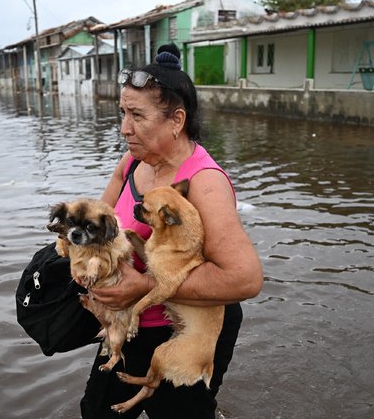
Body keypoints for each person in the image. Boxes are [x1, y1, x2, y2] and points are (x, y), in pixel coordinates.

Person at [79, 43, 263, 419]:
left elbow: (244, 279)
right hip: (129, 324)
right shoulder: (133, 162)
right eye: (122, 113)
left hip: (186, 331)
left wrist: (144, 286)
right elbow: (98, 224)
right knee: (98, 412)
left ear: (176, 121)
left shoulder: (204, 182)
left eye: (136, 115)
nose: (123, 128)